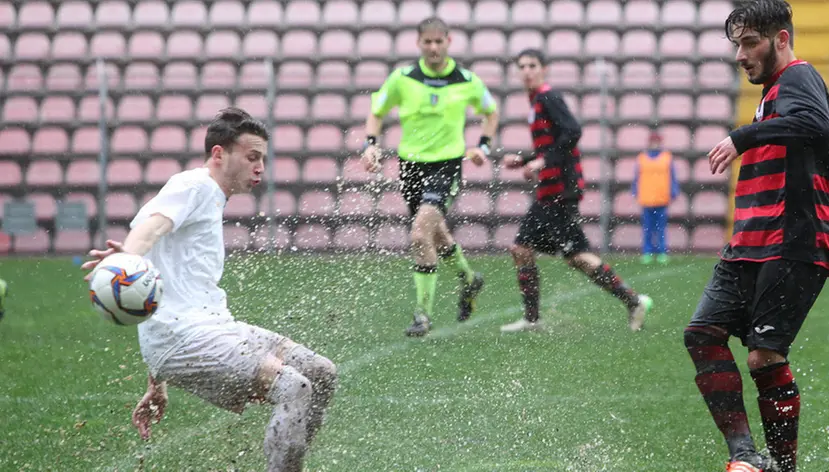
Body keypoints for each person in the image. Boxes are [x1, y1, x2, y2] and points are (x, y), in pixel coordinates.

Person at [81, 108, 338, 472]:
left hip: (207, 328)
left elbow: (163, 280)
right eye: (252, 157)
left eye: (262, 158)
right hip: (186, 338)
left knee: (322, 373)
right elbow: (151, 229)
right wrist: (127, 258)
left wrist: (158, 382)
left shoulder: (206, 195)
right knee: (294, 389)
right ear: (219, 154)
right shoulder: (195, 185)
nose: (260, 167)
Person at [684, 2, 829, 471]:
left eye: (750, 43)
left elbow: (815, 123)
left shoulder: (797, 76)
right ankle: (746, 456)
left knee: (764, 356)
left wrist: (741, 137)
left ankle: (778, 467)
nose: (740, 56)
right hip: (752, 241)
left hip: (790, 241)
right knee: (702, 334)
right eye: (737, 45)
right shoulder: (774, 91)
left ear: (782, 40)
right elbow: (825, 162)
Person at [361, 16, 500, 337]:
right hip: (410, 166)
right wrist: (371, 145)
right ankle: (469, 279)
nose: (434, 47)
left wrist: (483, 146)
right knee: (436, 236)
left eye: (439, 42)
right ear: (419, 43)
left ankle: (422, 315)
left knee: (419, 235)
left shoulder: (467, 80)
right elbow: (377, 111)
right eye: (428, 42)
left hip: (447, 165)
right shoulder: (403, 78)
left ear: (448, 42)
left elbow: (491, 112)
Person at [499, 49, 652, 333]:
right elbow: (552, 144)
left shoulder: (548, 97)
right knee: (551, 253)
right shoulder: (536, 101)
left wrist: (543, 161)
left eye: (532, 65)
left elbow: (572, 132)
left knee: (555, 253)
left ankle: (632, 301)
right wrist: (523, 160)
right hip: (551, 190)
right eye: (522, 66)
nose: (527, 71)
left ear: (544, 68)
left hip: (560, 190)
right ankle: (534, 319)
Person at [632, 131, 680, 264]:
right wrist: (635, 192)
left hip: (661, 198)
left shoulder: (667, 157)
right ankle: (647, 251)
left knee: (660, 227)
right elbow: (636, 178)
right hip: (646, 198)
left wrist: (674, 192)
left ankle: (661, 251)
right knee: (647, 227)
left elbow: (672, 177)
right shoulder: (641, 158)